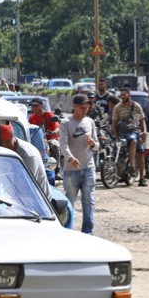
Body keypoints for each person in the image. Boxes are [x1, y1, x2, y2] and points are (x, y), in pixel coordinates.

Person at [0, 124, 52, 201]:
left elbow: (25, 193)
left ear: (1, 144)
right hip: (16, 203)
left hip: (37, 207)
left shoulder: (28, 156)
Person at [59, 94, 98, 234]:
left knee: (89, 201)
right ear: (74, 106)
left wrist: (93, 144)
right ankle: (67, 231)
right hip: (71, 170)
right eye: (82, 108)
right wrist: (70, 158)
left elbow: (97, 145)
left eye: (87, 108)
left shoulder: (90, 122)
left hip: (88, 167)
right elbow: (62, 144)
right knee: (69, 201)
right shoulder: (66, 123)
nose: (84, 110)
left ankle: (88, 232)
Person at [111, 86, 148, 186]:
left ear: (129, 95)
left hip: (135, 131)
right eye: (121, 95)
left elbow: (142, 120)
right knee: (117, 152)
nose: (122, 97)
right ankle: (122, 171)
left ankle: (141, 177)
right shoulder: (117, 107)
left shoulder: (137, 106)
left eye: (124, 95)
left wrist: (144, 132)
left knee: (140, 154)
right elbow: (114, 123)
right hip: (123, 133)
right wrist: (116, 135)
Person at [28, 98, 61, 171]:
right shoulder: (32, 117)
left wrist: (55, 131)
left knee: (55, 145)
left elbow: (56, 125)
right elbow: (28, 128)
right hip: (38, 139)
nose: (34, 108)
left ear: (41, 106)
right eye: (32, 106)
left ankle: (56, 169)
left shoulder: (48, 115)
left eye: (36, 106)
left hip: (50, 138)